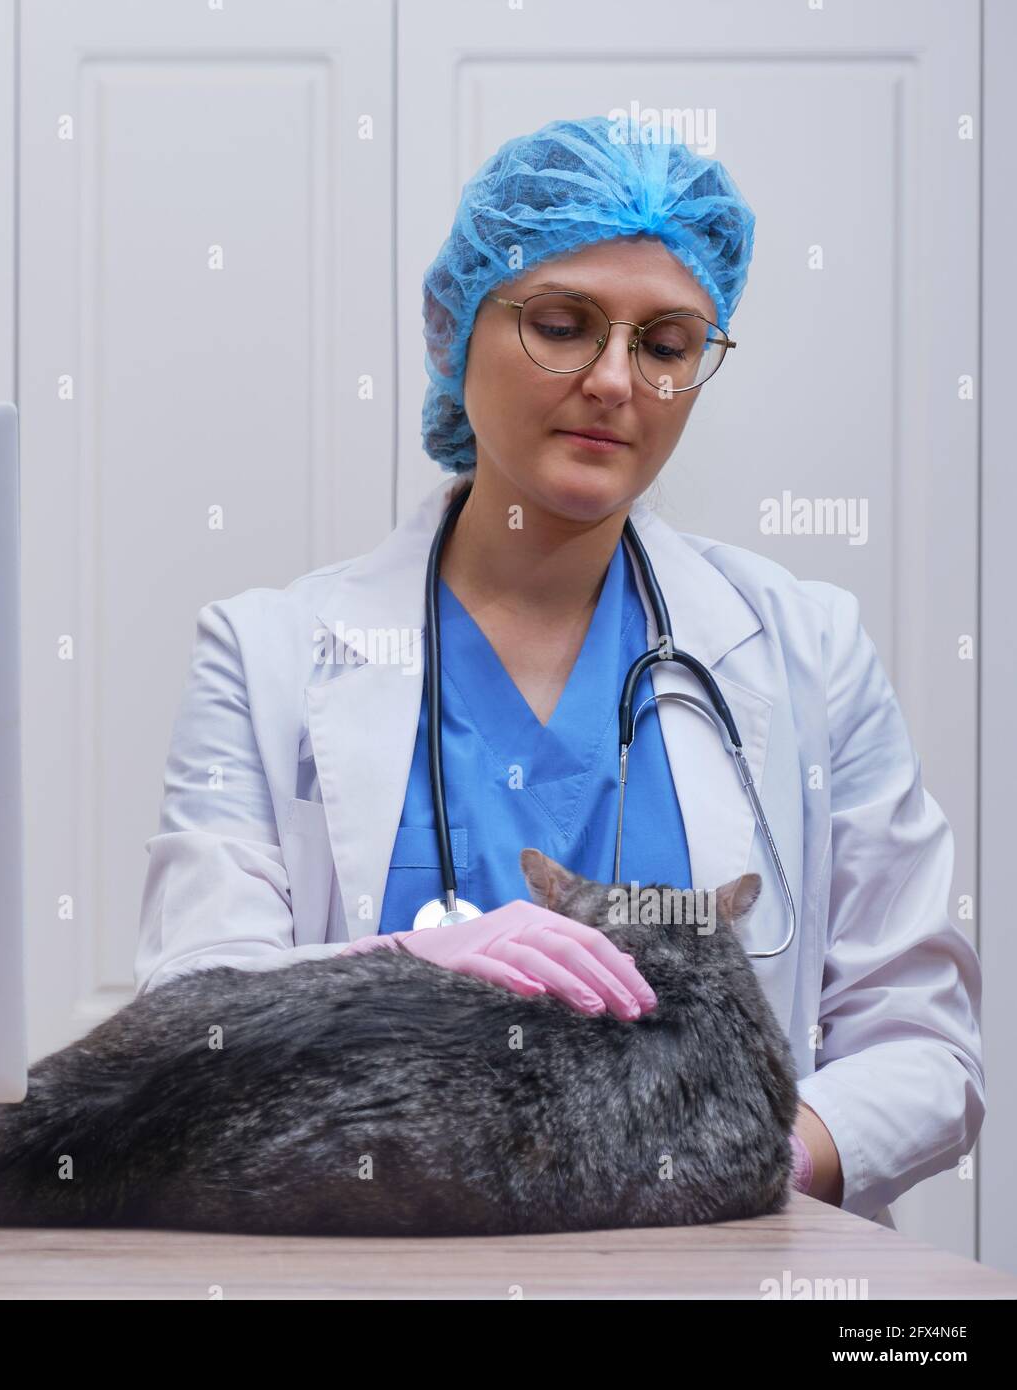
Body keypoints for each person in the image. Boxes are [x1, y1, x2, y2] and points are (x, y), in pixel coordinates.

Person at [134, 115, 984, 1227]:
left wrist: (741, 1163)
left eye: (666, 343)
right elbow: (191, 1024)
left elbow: (921, 1043)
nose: (613, 380)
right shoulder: (268, 654)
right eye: (562, 324)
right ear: (453, 330)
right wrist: (411, 953)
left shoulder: (807, 647)